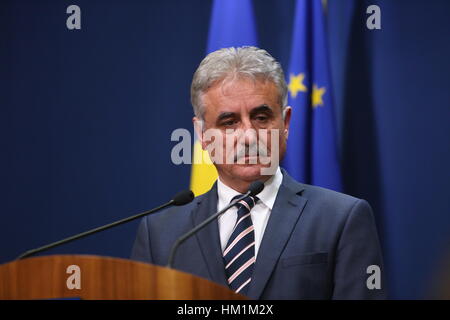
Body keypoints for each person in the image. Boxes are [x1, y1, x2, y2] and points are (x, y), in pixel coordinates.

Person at [131, 46, 386, 299]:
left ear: (284, 123)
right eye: (229, 122)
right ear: (202, 135)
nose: (249, 136)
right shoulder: (161, 235)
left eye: (261, 118)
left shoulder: (341, 219)